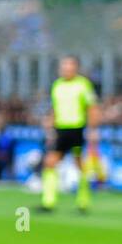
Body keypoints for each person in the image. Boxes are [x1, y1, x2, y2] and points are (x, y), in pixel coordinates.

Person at [41, 56, 99, 213]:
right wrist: (50, 125)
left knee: (79, 164)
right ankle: (48, 202)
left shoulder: (83, 85)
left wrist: (93, 130)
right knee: (50, 162)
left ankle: (83, 202)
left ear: (76, 68)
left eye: (70, 65)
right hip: (61, 130)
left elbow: (92, 108)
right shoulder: (57, 85)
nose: (67, 69)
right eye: (64, 66)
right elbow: (54, 107)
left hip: (77, 129)